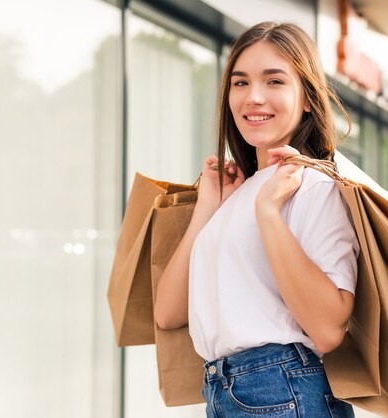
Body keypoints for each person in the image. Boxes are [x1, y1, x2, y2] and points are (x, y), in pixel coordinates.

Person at [154, 21, 359, 417]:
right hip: (226, 389)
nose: (254, 97)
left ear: (307, 99)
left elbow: (330, 329)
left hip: (281, 387)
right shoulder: (241, 191)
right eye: (240, 82)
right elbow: (167, 313)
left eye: (275, 81)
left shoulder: (313, 185)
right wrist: (208, 207)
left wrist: (269, 213)